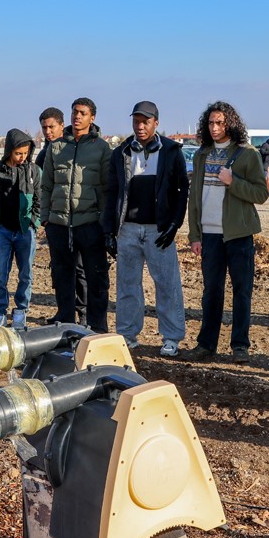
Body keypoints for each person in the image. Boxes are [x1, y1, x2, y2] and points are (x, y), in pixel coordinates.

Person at [184, 101, 269, 362]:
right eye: (210, 122)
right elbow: (194, 197)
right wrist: (194, 235)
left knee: (242, 291)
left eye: (220, 122)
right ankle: (206, 345)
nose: (214, 127)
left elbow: (261, 194)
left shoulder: (247, 154)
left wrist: (234, 182)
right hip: (208, 235)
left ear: (230, 123)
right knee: (211, 292)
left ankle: (240, 346)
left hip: (238, 234)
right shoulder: (201, 154)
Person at [105, 100, 188, 354]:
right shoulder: (121, 152)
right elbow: (112, 192)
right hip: (128, 229)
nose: (140, 126)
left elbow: (182, 190)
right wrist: (110, 230)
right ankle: (127, 335)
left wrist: (174, 225)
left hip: (158, 229)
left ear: (156, 123)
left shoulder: (172, 151)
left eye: (146, 121)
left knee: (167, 284)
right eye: (136, 121)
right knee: (127, 285)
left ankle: (171, 337)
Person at [41, 97, 113, 331]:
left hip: (90, 224)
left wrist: (105, 223)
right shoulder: (56, 147)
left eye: (82, 112)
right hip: (59, 224)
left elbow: (106, 188)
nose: (77, 116)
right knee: (62, 277)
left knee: (96, 278)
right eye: (74, 112)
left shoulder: (102, 148)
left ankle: (97, 327)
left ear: (92, 117)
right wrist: (45, 218)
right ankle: (65, 323)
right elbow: (47, 186)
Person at [0, 129, 41, 330]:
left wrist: (34, 222)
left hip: (26, 231)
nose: (22, 157)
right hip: (3, 231)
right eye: (18, 153)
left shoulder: (34, 171)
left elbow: (39, 200)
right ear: (9, 151)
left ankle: (20, 311)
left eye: (25, 153)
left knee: (25, 273)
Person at [36, 106, 86, 320]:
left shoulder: (72, 146)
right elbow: (42, 187)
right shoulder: (43, 153)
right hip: (56, 221)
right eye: (44, 127)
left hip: (80, 218)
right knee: (59, 269)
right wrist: (44, 218)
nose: (47, 131)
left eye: (51, 127)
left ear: (61, 125)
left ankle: (84, 312)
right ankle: (64, 313)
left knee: (81, 269)